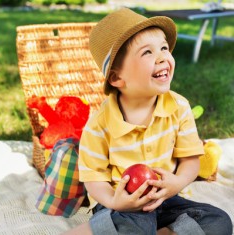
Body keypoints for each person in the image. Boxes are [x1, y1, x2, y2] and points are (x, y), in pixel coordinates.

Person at [62, 8, 233, 235]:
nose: (163, 56)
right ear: (116, 77)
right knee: (134, 224)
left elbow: (191, 161)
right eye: (147, 53)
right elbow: (94, 180)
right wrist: (116, 201)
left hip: (165, 198)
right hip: (124, 206)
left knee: (219, 221)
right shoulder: (100, 124)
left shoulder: (179, 107)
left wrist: (176, 183)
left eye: (163, 48)